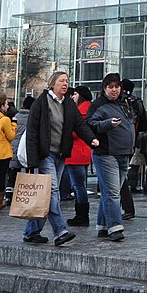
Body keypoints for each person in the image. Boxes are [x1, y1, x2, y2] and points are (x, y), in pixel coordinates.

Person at [23, 70, 98, 246]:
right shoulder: (41, 102)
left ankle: (31, 231)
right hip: (45, 154)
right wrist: (33, 160)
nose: (65, 84)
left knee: (45, 194)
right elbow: (32, 132)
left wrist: (91, 139)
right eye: (61, 81)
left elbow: (80, 124)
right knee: (52, 191)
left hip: (60, 154)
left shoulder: (68, 104)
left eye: (67, 81)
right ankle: (60, 231)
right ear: (52, 83)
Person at [87, 74, 138, 242]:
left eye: (116, 86)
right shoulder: (98, 105)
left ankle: (102, 225)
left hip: (124, 153)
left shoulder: (126, 102)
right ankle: (115, 227)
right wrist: (107, 124)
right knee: (113, 192)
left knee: (110, 192)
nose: (114, 90)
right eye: (110, 87)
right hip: (106, 153)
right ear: (104, 88)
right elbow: (89, 125)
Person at [64, 86, 93, 227]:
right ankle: (81, 214)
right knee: (80, 185)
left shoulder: (81, 111)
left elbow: (75, 132)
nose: (73, 96)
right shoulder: (89, 109)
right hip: (84, 152)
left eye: (75, 94)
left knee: (78, 186)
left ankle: (81, 215)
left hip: (76, 153)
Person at [118, 79, 147, 219]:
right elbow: (144, 125)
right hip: (131, 141)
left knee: (119, 176)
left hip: (120, 142)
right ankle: (126, 207)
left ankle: (126, 207)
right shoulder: (138, 102)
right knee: (121, 175)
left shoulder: (122, 102)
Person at [7, 95, 35, 207]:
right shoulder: (33, 118)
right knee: (29, 172)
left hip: (13, 148)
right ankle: (27, 196)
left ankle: (9, 197)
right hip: (27, 149)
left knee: (13, 173)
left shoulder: (15, 116)